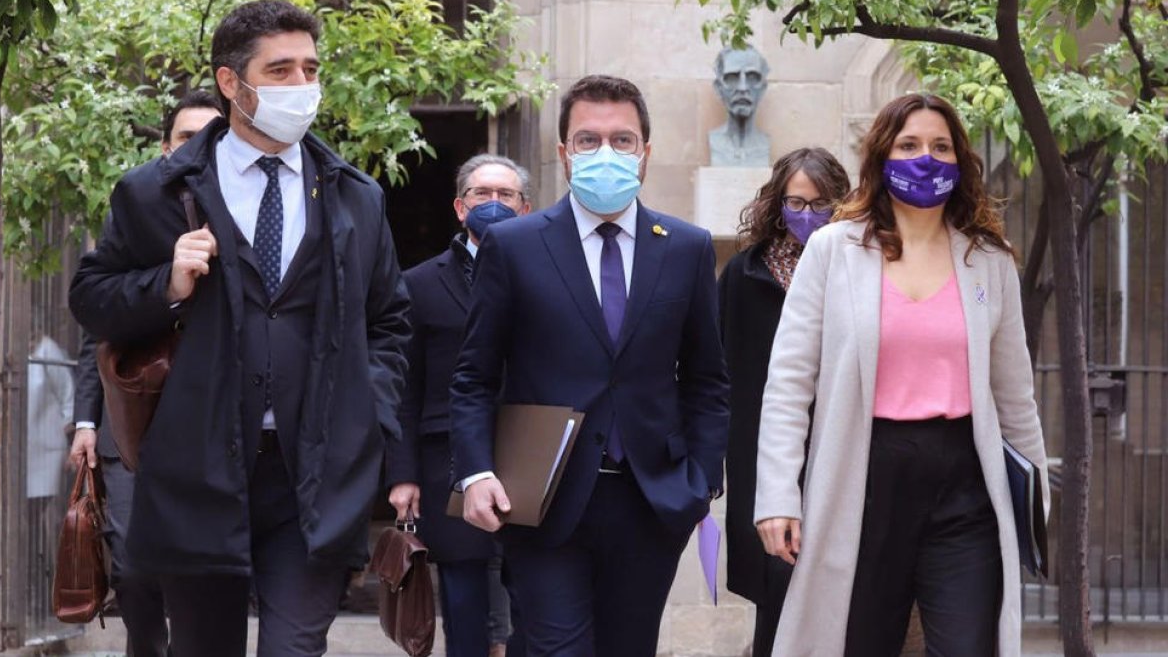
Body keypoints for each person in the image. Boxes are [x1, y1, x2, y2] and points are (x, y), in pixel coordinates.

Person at [69, 0, 410, 656]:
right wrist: (165, 283)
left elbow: (390, 319)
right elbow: (92, 295)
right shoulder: (157, 192)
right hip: (198, 468)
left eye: (310, 68)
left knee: (294, 647)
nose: (301, 85)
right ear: (232, 83)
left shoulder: (355, 196)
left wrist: (368, 408)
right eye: (279, 69)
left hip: (315, 471)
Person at [754, 93, 1050, 656]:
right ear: (881, 155)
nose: (926, 159)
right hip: (863, 478)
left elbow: (1015, 396)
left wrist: (1036, 505)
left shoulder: (988, 258)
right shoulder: (833, 250)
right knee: (858, 642)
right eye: (909, 145)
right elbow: (789, 384)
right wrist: (776, 495)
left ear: (960, 161)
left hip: (966, 487)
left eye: (941, 147)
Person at [450, 74, 729, 657]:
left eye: (622, 140)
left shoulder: (686, 247)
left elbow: (707, 381)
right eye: (588, 139)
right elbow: (474, 375)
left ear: (645, 155)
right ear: (563, 153)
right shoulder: (516, 245)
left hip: (651, 501)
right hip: (544, 500)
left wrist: (699, 484)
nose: (606, 152)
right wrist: (476, 472)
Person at [68, 90, 223, 657]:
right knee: (133, 563)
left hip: (209, 426)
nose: (201, 147)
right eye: (187, 137)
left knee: (202, 571)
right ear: (165, 148)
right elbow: (98, 327)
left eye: (214, 134)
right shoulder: (136, 207)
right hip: (131, 422)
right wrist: (86, 422)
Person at [385, 153, 530, 657]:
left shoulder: (548, 276)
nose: (494, 203)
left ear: (525, 208)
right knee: (465, 595)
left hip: (527, 450)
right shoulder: (419, 284)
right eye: (481, 195)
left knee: (533, 591)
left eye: (505, 195)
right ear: (459, 207)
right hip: (445, 458)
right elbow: (403, 385)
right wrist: (401, 475)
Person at [718, 147, 849, 656]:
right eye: (797, 202)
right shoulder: (744, 275)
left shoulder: (861, 267)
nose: (807, 215)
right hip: (761, 453)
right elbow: (717, 369)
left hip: (840, 444)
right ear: (777, 203)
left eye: (821, 205)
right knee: (776, 584)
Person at [708, 46, 771, 167]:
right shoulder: (714, 141)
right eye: (732, 78)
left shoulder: (764, 144)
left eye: (752, 78)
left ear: (763, 89)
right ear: (718, 88)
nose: (743, 88)